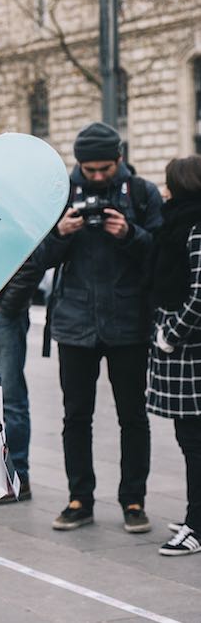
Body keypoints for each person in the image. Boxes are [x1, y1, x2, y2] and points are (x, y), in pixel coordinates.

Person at [38, 121, 162, 533]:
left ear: (119, 160)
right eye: (87, 169)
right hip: (75, 323)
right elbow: (37, 259)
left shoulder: (142, 193)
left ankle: (133, 500)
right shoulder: (59, 194)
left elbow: (161, 256)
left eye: (103, 169)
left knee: (133, 416)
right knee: (76, 416)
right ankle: (79, 499)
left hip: (128, 323)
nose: (94, 176)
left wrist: (130, 234)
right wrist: (60, 234)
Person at [145, 155, 201, 556]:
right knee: (190, 439)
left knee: (194, 440)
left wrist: (171, 334)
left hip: (190, 349)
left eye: (168, 182)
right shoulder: (180, 221)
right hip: (181, 344)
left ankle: (196, 525)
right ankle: (195, 515)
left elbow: (200, 293)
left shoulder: (195, 226)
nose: (163, 189)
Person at [0, 257, 44, 504]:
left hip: (2, 315)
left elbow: (31, 260)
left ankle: (16, 476)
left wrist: (8, 309)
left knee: (10, 397)